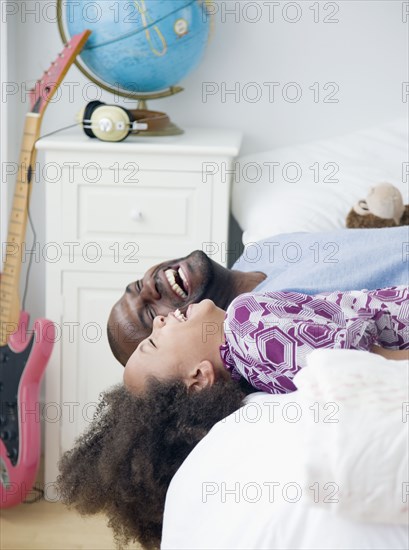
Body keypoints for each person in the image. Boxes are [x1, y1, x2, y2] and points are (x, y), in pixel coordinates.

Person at [108, 226, 409, 365]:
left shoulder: (260, 252)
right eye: (152, 314)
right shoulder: (272, 329)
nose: (150, 287)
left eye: (137, 285)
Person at [123, 286, 409, 395]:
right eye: (153, 342)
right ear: (198, 378)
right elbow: (368, 361)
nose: (158, 322)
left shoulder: (254, 371)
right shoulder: (243, 323)